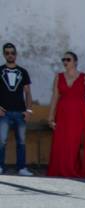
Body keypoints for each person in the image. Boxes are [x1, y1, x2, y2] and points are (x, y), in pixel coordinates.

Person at [47, 51, 85, 178]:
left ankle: (82, 170)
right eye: (63, 60)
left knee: (79, 142)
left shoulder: (84, 77)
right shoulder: (59, 77)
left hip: (81, 113)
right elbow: (55, 97)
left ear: (75, 62)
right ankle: (62, 169)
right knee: (62, 141)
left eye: (68, 59)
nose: (65, 62)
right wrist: (51, 116)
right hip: (63, 113)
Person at [0, 42, 34, 176]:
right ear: (4, 55)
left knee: (21, 141)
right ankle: (0, 166)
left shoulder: (23, 72)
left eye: (12, 53)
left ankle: (22, 168)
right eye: (7, 53)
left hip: (20, 112)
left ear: (16, 54)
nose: (10, 55)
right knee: (1, 140)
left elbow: (28, 92)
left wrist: (29, 110)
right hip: (4, 113)